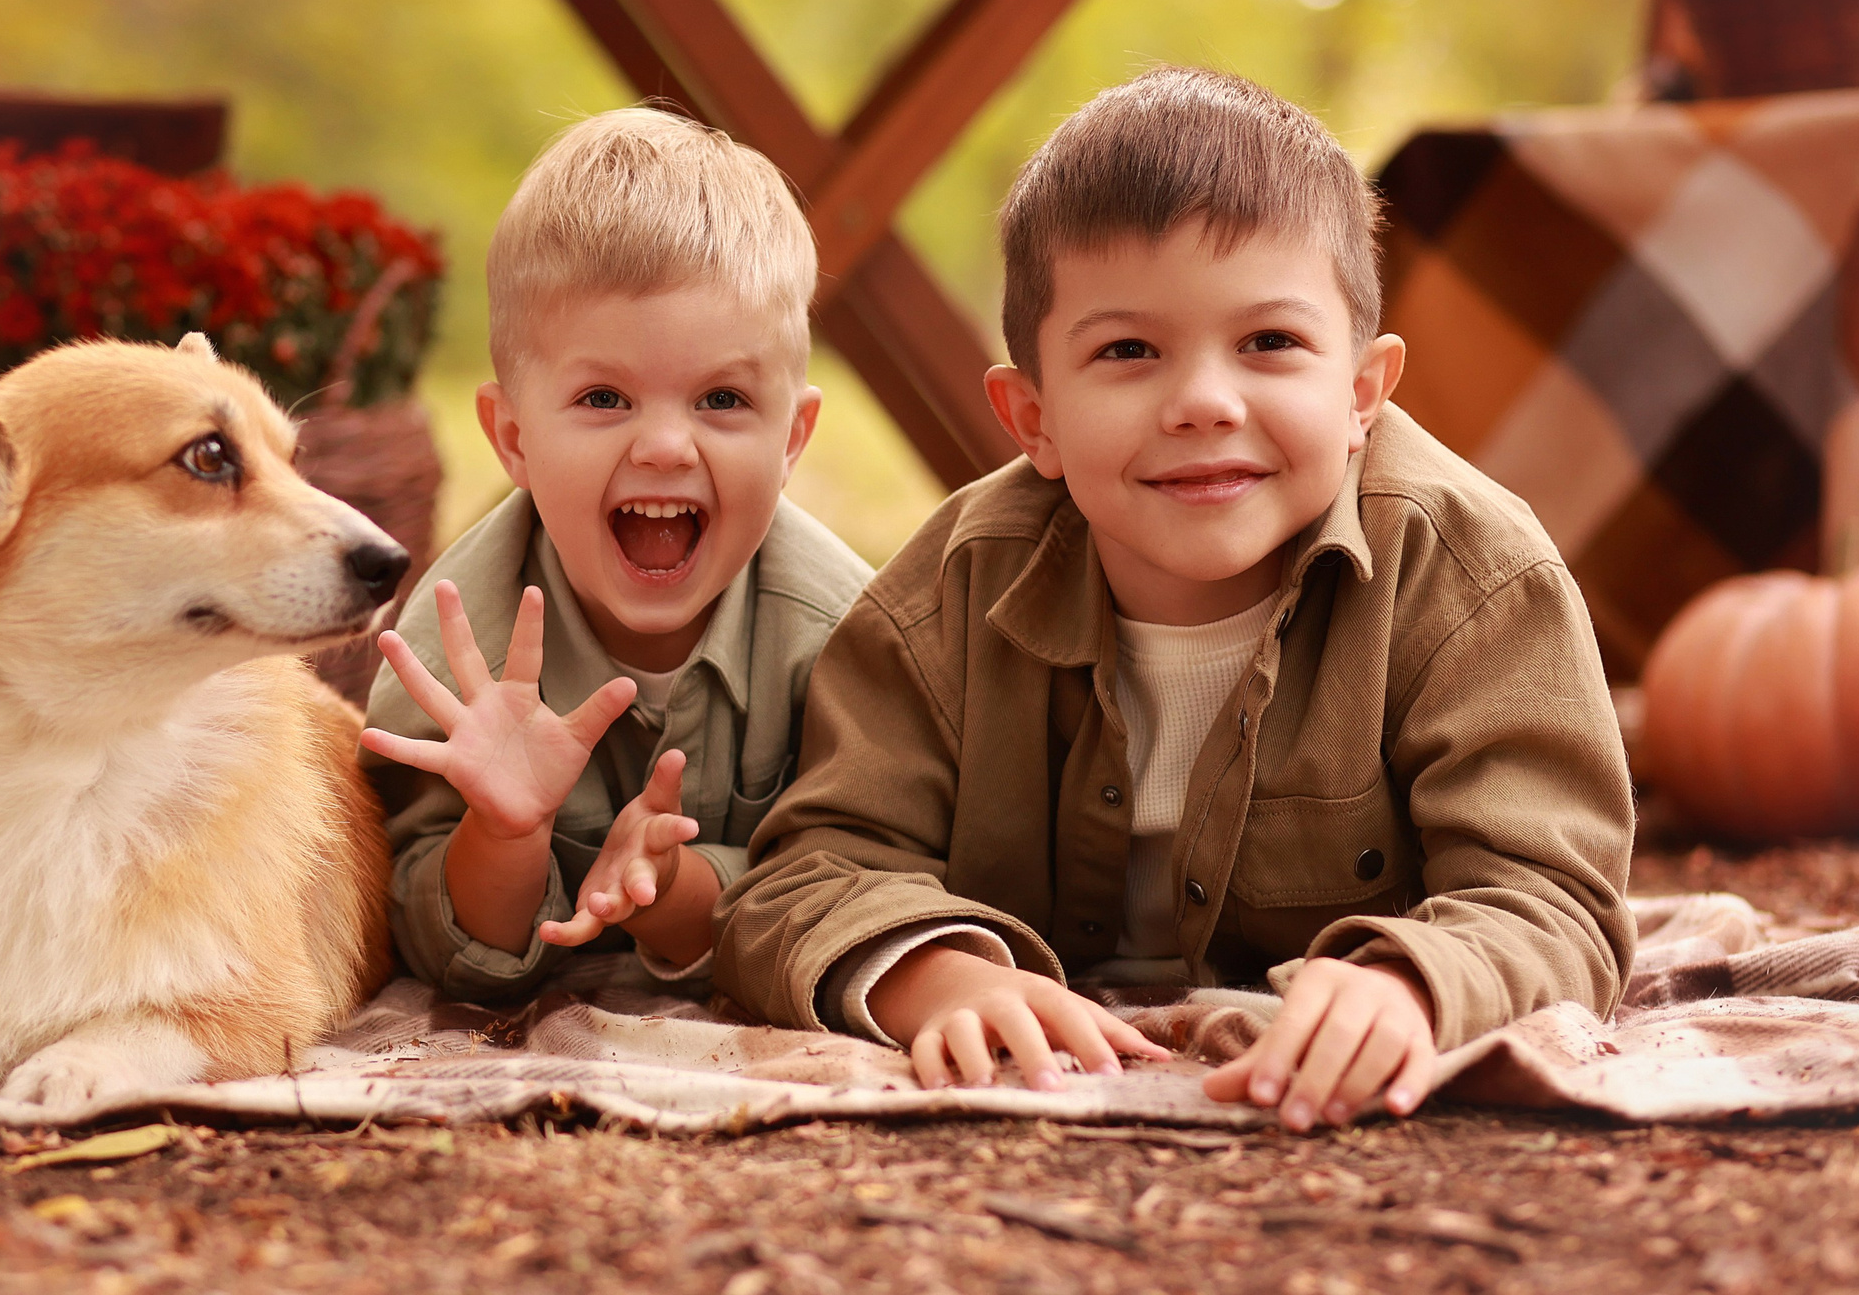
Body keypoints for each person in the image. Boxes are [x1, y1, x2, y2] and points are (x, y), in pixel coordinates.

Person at [714, 66, 1635, 1131]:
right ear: (1033, 418)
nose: (1203, 401)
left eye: (1269, 344)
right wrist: (939, 977)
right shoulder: (952, 593)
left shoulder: (1471, 578)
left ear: (1361, 393)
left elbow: (1552, 898)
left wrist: (1413, 986)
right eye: (1128, 351)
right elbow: (808, 870)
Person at [361, 107, 872, 1002]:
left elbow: (865, 874)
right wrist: (504, 835)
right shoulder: (459, 647)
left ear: (794, 437)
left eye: (721, 399)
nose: (667, 446)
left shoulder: (851, 640)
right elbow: (426, 935)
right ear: (513, 437)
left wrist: (672, 890)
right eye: (604, 398)